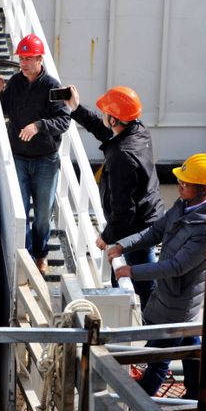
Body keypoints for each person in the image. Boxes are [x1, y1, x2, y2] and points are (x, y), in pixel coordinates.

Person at [107, 153, 206, 399]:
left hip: (178, 301)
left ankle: (136, 407)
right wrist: (123, 245)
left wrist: (132, 271)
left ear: (204, 188)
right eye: (180, 181)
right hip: (171, 296)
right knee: (190, 345)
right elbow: (155, 232)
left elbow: (176, 266)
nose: (180, 186)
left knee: (158, 359)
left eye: (186, 183)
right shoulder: (183, 206)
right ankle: (195, 394)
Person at [64, 85, 164, 309]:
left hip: (136, 227)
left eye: (106, 113)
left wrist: (107, 236)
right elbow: (104, 131)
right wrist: (77, 109)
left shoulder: (122, 157)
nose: (103, 116)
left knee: (139, 283)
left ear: (114, 120)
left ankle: (152, 332)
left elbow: (124, 209)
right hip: (149, 216)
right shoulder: (138, 131)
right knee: (136, 276)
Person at [0, 34, 71, 274]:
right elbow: (4, 109)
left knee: (42, 215)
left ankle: (41, 253)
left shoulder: (53, 87)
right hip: (18, 159)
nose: (23, 63)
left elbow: (64, 119)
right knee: (20, 211)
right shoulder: (14, 83)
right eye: (21, 58)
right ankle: (27, 257)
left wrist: (38, 125)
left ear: (40, 59)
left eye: (28, 58)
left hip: (45, 161)